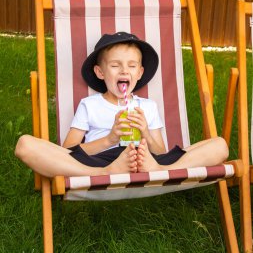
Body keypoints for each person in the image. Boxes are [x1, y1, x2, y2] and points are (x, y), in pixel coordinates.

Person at [15, 32, 229, 178]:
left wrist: (145, 131)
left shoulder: (147, 106)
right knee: (24, 144)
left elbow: (160, 150)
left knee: (220, 145)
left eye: (132, 66)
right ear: (100, 72)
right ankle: (104, 174)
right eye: (115, 65)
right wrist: (110, 138)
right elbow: (68, 151)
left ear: (139, 73)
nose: (124, 71)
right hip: (102, 162)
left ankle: (162, 171)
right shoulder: (89, 105)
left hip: (149, 161)